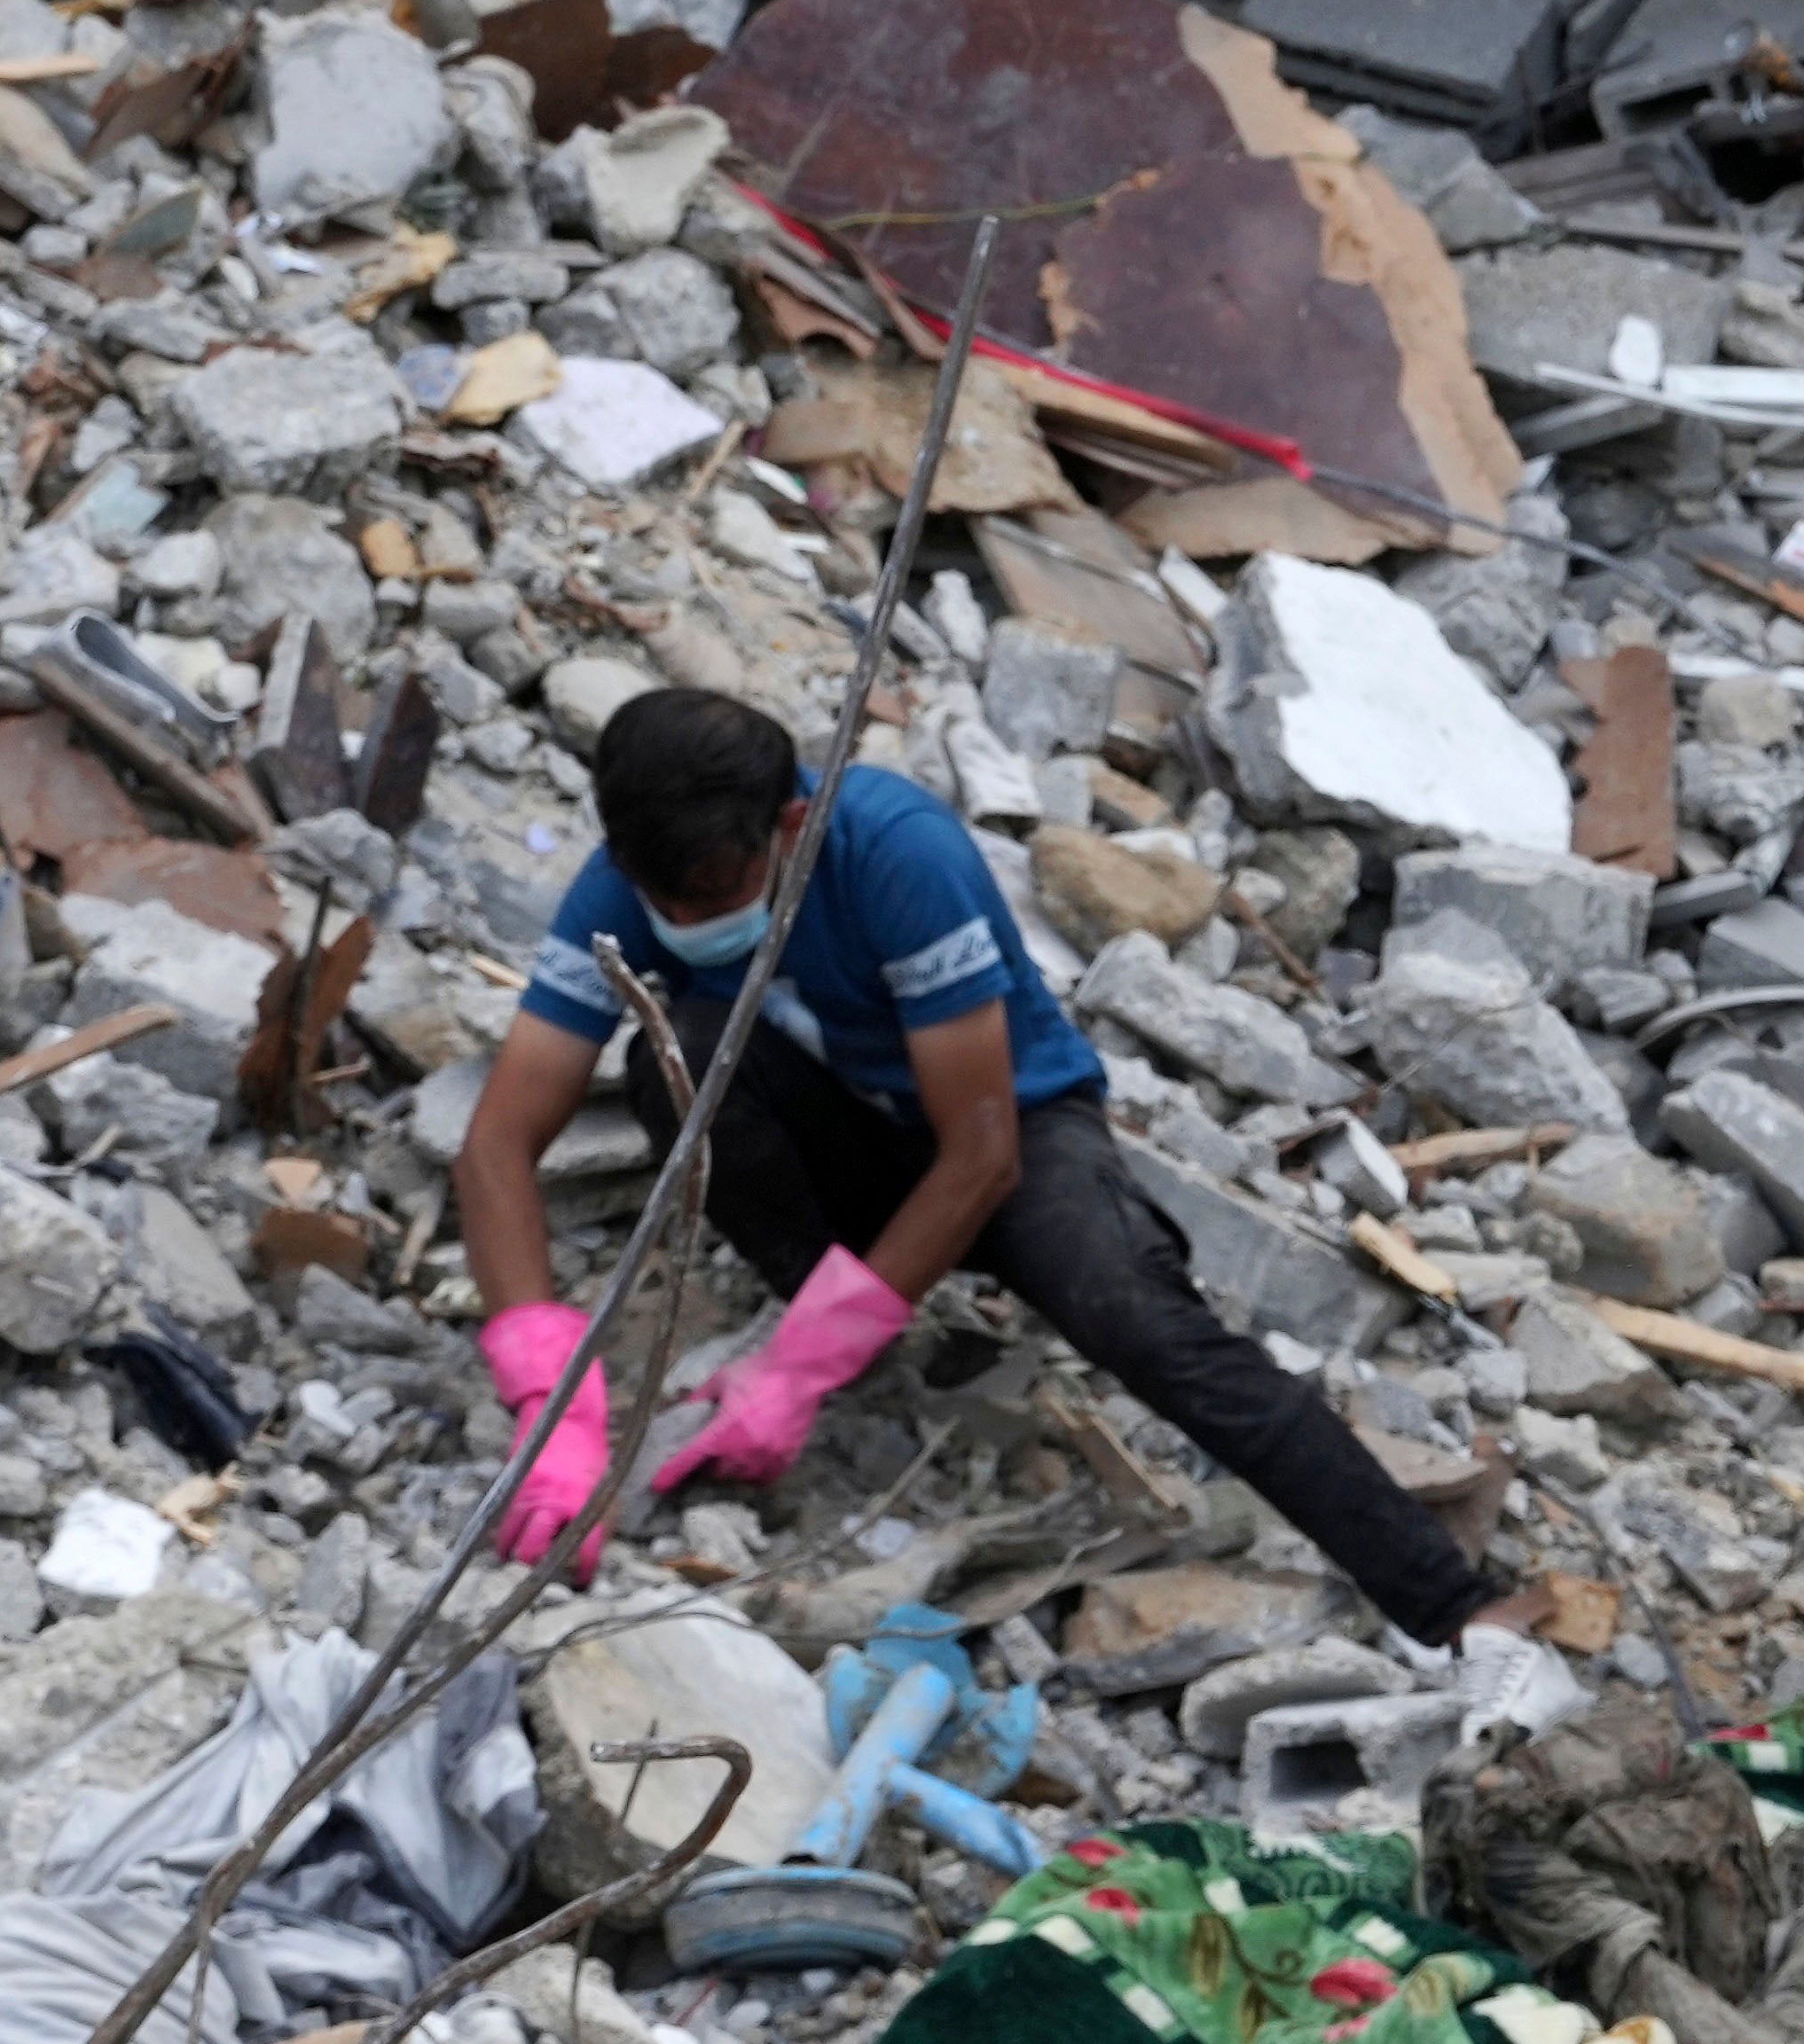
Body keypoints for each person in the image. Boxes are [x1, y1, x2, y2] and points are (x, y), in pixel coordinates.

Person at [451, 688, 1532, 1676]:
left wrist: (801, 1366)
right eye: (664, 901)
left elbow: (981, 1154)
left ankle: (1451, 1604)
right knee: (674, 1058)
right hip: (850, 1147)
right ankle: (850, 1313)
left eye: (715, 896)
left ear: (790, 826)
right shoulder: (628, 885)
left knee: (1134, 1315)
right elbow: (498, 1142)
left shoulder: (896, 853)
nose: (687, 924)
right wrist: (551, 1398)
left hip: (1008, 1133)